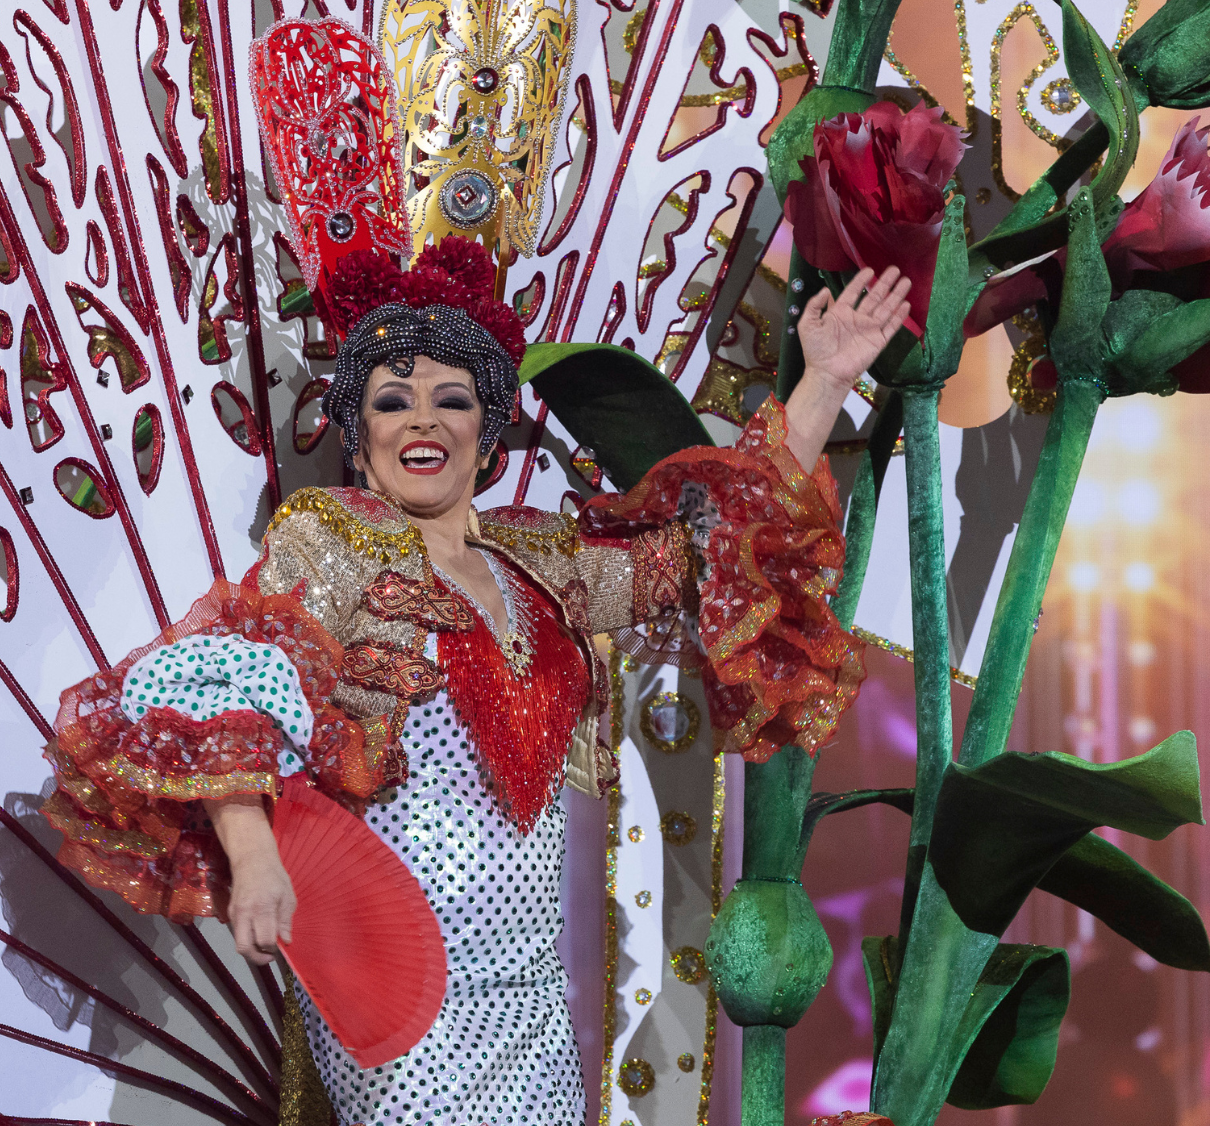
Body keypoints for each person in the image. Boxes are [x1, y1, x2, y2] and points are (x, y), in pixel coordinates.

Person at [45, 239, 908, 1123]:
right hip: (397, 979)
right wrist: (255, 855)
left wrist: (825, 381)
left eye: (451, 400)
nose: (422, 421)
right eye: (392, 402)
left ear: (486, 429)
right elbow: (228, 675)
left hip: (530, 998)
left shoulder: (540, 562)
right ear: (361, 437)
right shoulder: (332, 538)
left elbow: (710, 551)